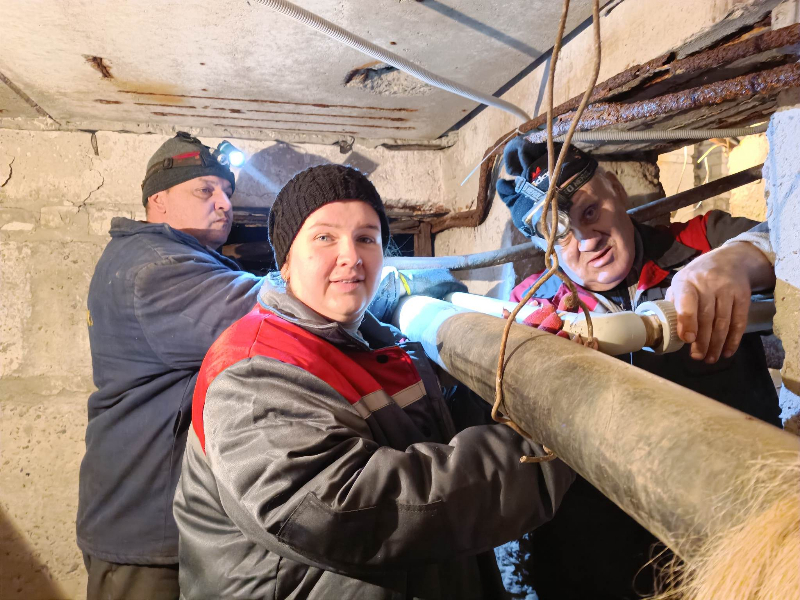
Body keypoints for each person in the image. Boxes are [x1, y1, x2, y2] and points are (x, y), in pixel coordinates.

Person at [173, 164, 575, 599]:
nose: (351, 256)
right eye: (325, 237)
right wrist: (558, 441)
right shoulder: (254, 370)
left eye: (366, 238)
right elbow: (347, 511)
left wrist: (519, 372)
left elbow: (436, 433)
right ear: (285, 261)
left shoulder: (371, 341)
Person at [496, 137, 781, 600]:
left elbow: (788, 230)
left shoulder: (701, 242)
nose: (586, 239)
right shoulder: (534, 305)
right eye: (561, 233)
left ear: (616, 191)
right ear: (542, 245)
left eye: (590, 212)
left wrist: (739, 257)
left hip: (733, 519)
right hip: (605, 550)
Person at [77, 132, 264, 600]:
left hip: (151, 520)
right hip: (147, 534)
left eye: (227, 192)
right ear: (157, 200)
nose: (224, 203)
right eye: (205, 190)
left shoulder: (164, 258)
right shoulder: (156, 267)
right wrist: (369, 274)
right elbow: (272, 310)